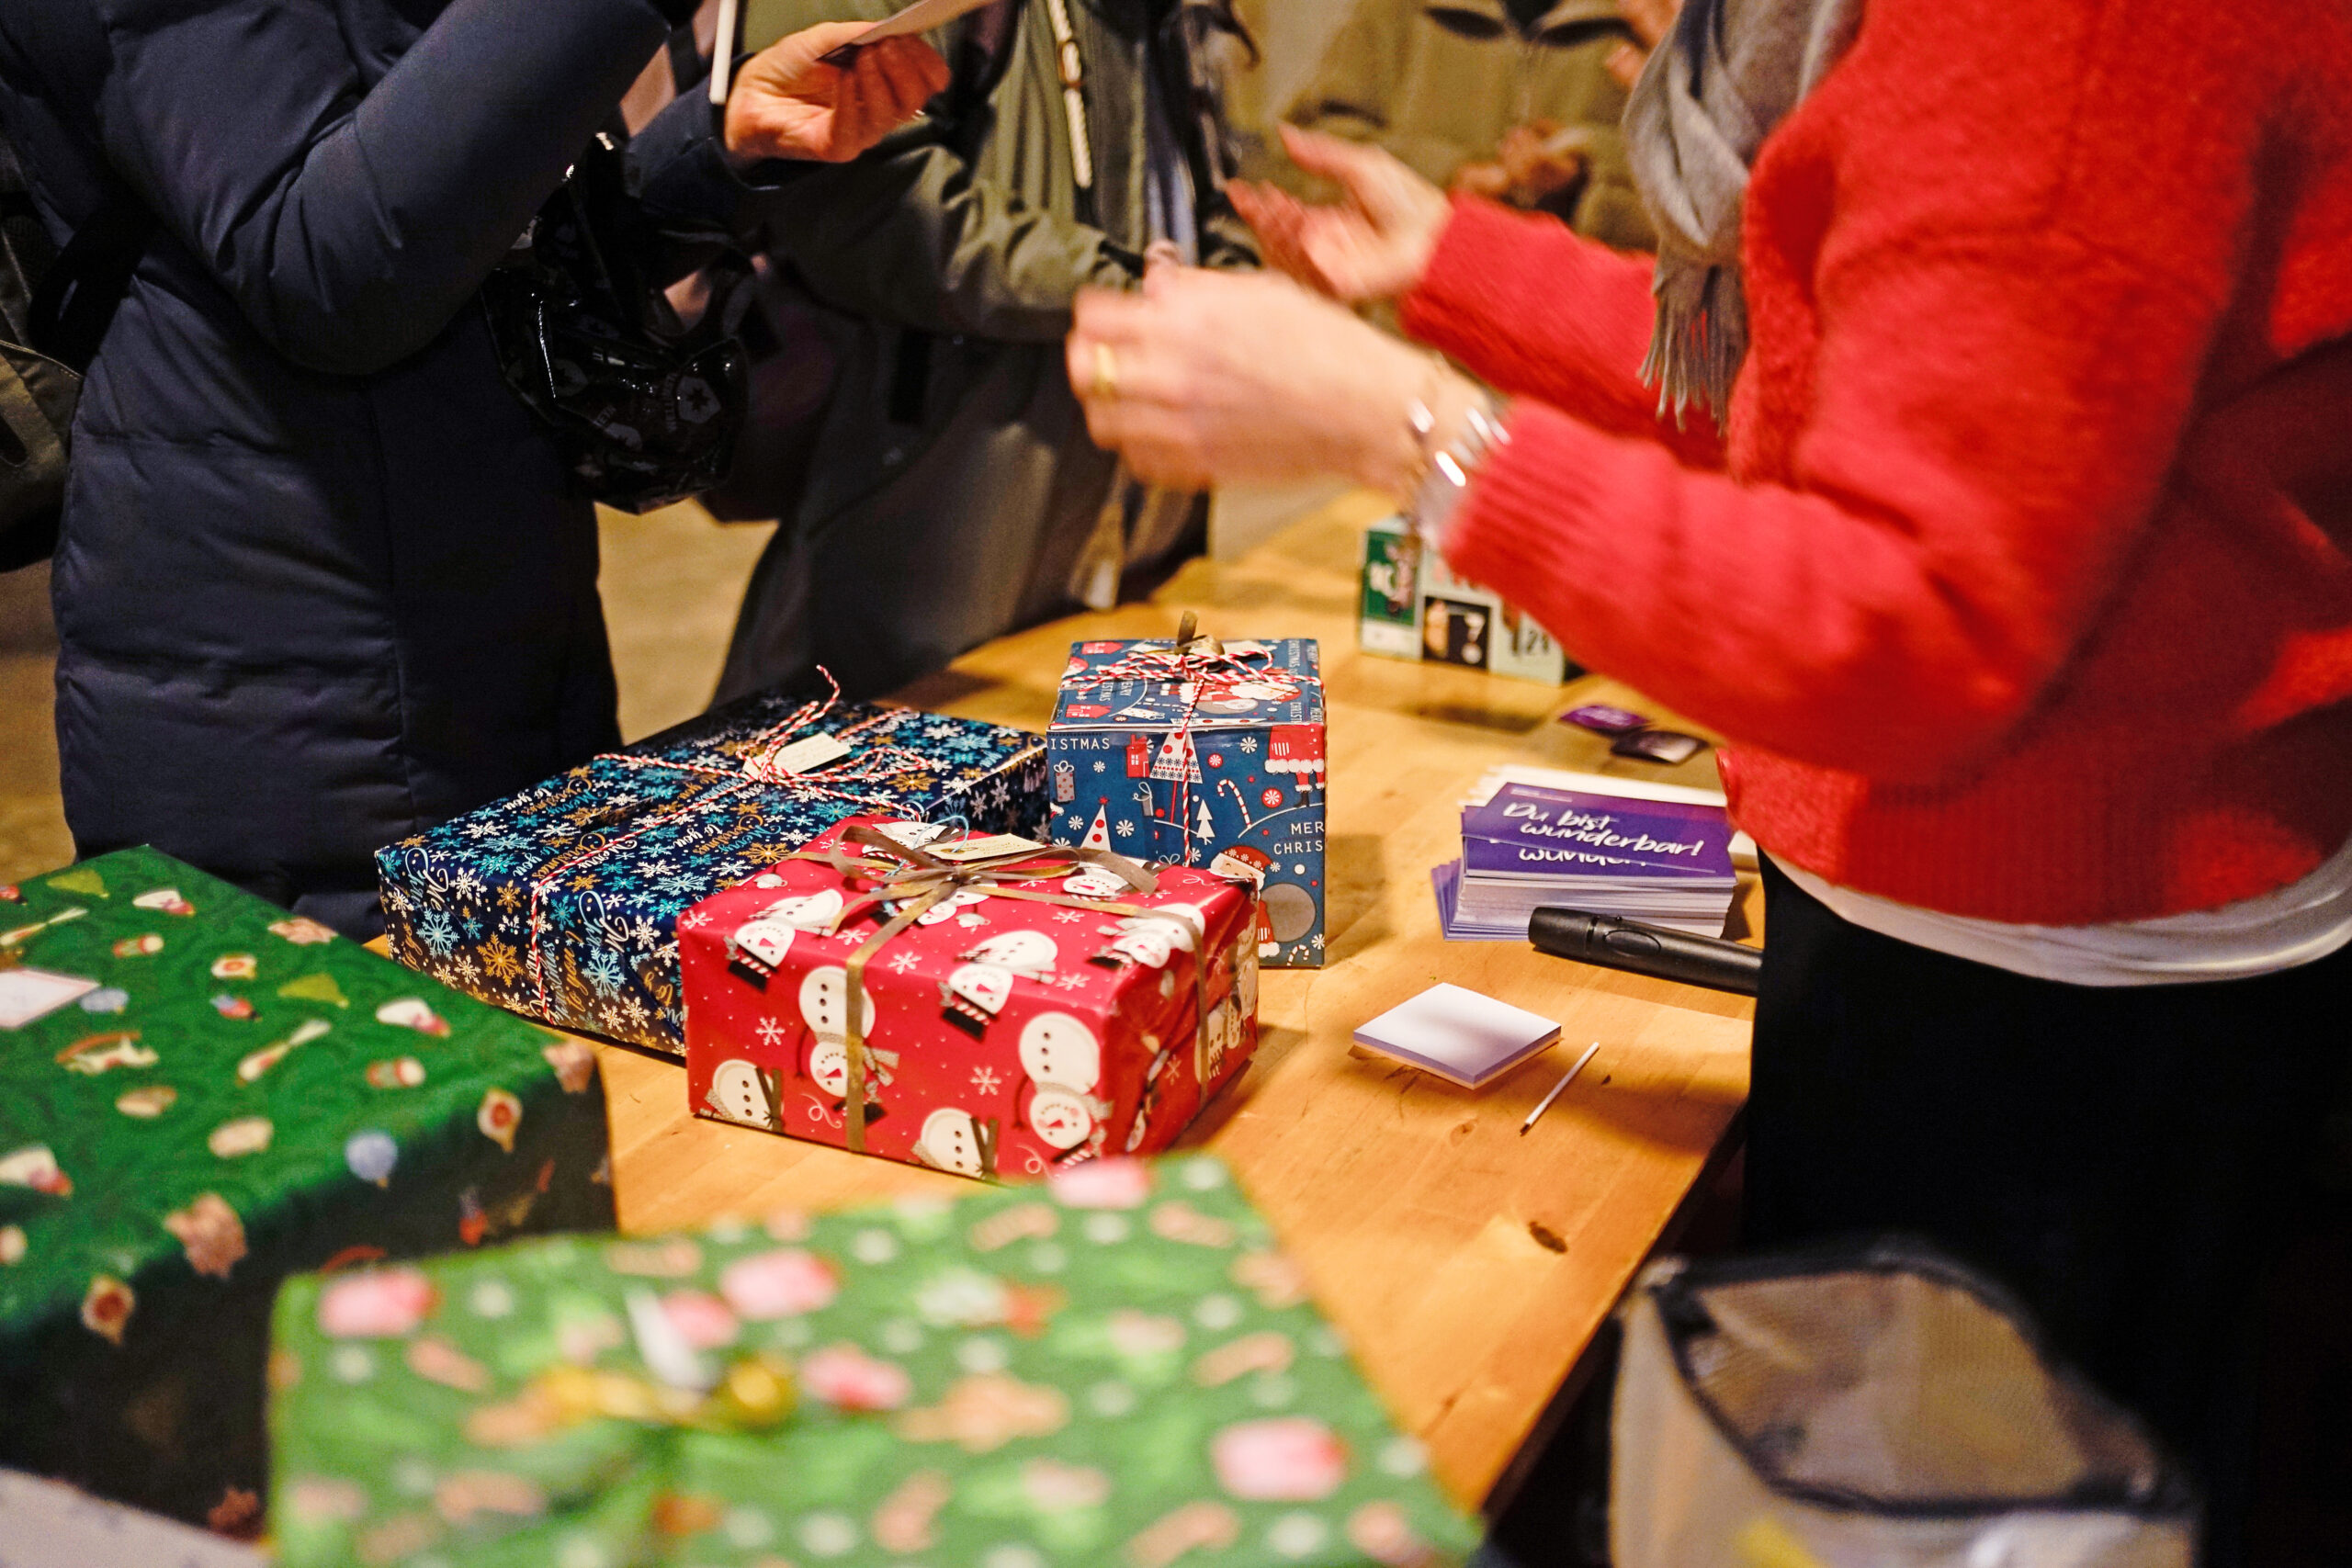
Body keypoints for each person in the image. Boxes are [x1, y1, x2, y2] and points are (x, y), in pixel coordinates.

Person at [1063, 0, 2352, 1554]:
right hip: (2044, 925)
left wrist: (1407, 430)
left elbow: (1904, 623)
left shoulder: (2059, 33)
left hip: (2043, 988)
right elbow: (1853, 384)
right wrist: (1465, 272)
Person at [0, 0, 946, 935]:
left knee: (552, 1019)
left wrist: (719, 147)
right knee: (370, 1064)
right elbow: (327, 269)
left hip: (493, 623)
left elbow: (474, 236)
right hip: (301, 677)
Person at [712, 0, 1257, 705]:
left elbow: (1223, 173)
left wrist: (1239, 299)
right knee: (866, 785)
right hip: (933, 533)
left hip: (1136, 529)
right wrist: (1137, 294)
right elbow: (851, 191)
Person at [1282, 0, 1655, 250]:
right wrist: (1452, 176)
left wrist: (1585, 180)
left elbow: (1700, 222)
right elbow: (1300, 153)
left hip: (1575, 349)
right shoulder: (1398, 12)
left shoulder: (1652, 22)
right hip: (1400, 346)